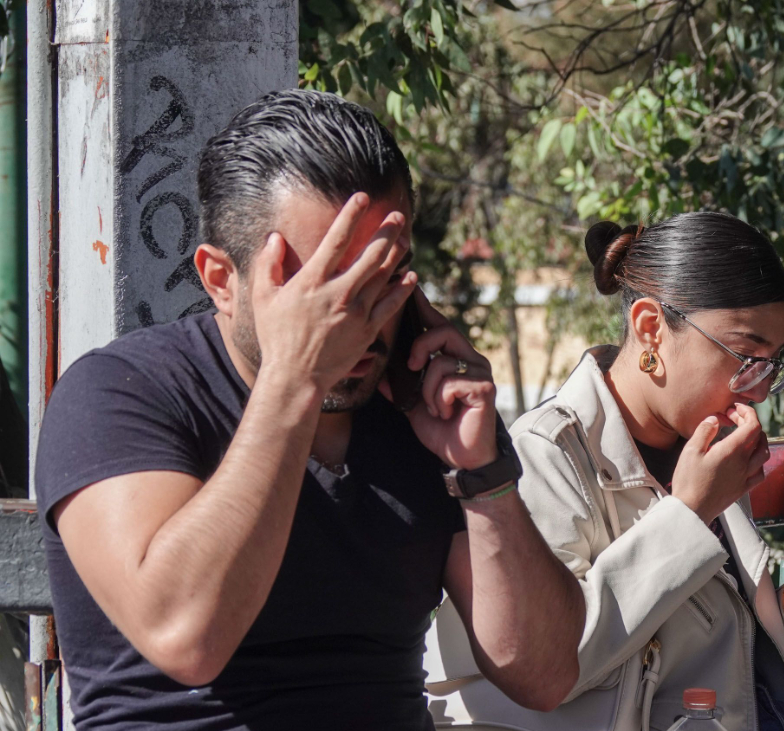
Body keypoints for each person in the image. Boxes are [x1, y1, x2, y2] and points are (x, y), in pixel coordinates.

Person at [34, 90, 583, 731]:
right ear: (221, 280)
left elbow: (543, 675)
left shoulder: (422, 408)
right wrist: (295, 378)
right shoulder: (120, 394)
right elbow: (186, 636)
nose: (359, 319)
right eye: (323, 285)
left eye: (384, 278)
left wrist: (481, 473)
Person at [428, 213, 784, 731]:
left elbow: (706, 640)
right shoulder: (544, 452)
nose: (757, 391)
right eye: (744, 357)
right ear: (650, 327)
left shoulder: (707, 446)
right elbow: (550, 667)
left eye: (772, 364)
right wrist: (689, 514)